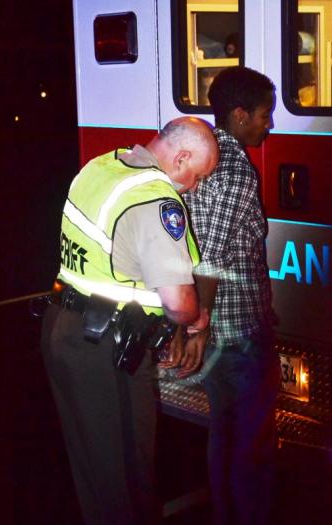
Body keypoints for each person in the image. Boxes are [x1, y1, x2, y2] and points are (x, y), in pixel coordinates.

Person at [40, 116, 219, 525]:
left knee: (96, 474)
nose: (195, 186)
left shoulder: (101, 168)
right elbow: (177, 302)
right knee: (127, 478)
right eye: (197, 176)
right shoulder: (156, 201)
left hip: (63, 329)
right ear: (182, 156)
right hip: (106, 350)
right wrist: (197, 317)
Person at [167, 67, 281, 525]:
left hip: (217, 334)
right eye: (263, 115)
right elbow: (210, 257)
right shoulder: (234, 169)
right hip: (236, 335)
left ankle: (224, 514)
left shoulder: (198, 156)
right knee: (252, 445)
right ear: (239, 115)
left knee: (224, 434)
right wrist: (197, 323)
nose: (268, 125)